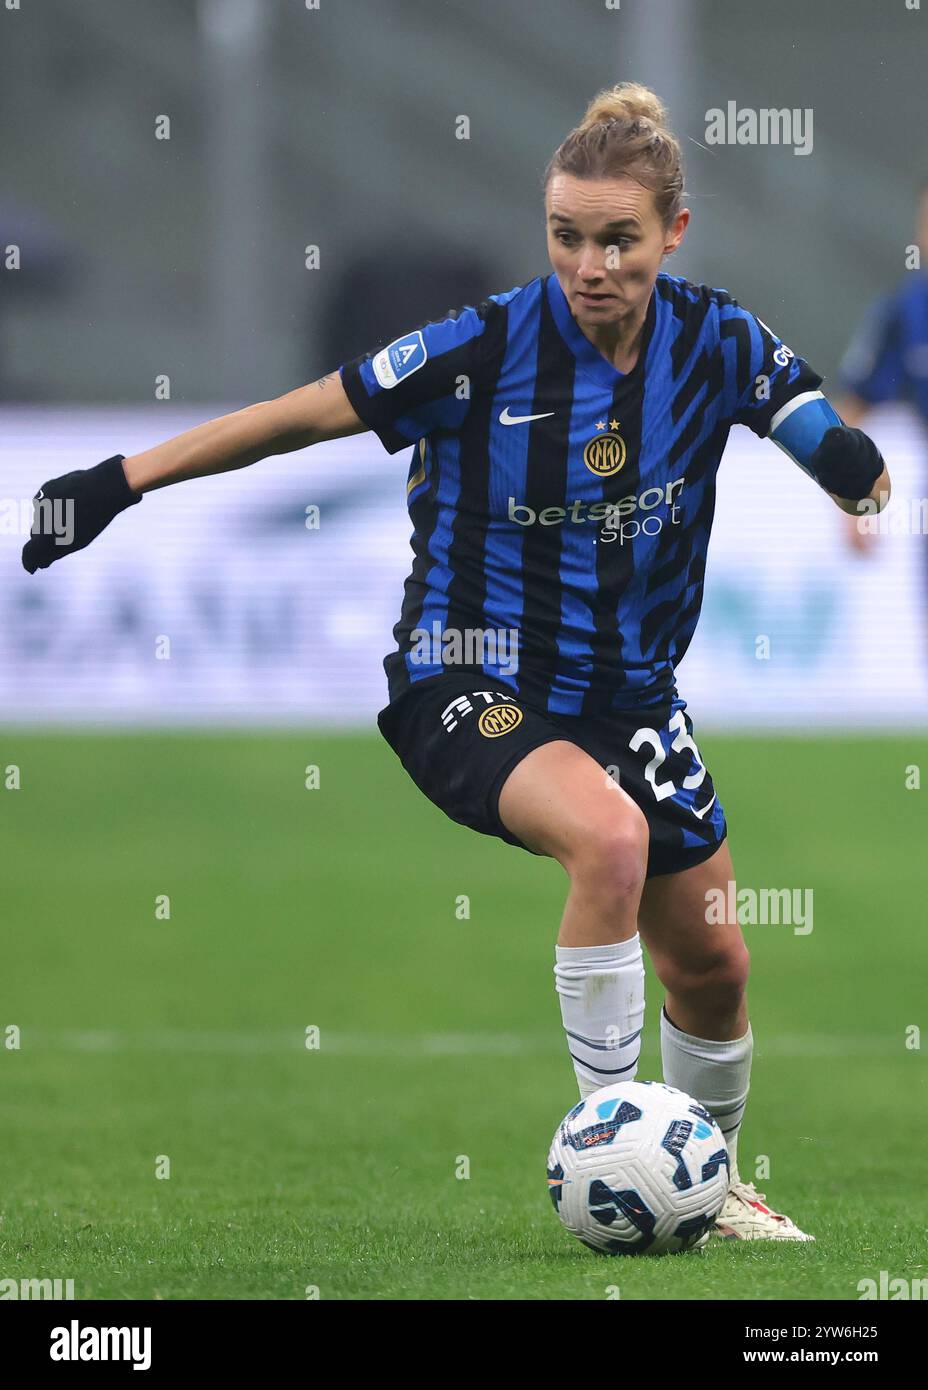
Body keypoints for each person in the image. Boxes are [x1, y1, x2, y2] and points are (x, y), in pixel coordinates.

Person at [23, 83, 890, 1244]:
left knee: (717, 964)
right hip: (464, 676)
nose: (590, 263)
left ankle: (709, 1181)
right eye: (567, 236)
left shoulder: (716, 338)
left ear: (672, 232)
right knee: (611, 839)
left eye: (618, 239)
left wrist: (851, 467)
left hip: (629, 698)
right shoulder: (481, 347)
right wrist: (119, 480)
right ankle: (616, 1156)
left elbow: (812, 427)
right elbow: (298, 415)